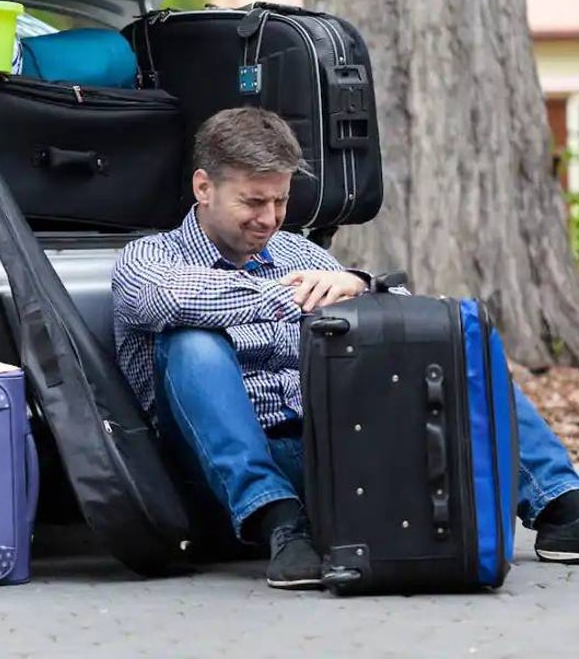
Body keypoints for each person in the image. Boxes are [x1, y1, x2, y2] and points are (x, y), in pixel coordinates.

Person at [111, 106, 579, 590]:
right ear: (204, 187)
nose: (268, 219)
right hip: (211, 474)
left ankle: (560, 504)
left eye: (280, 201)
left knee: (450, 344)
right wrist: (303, 297)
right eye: (252, 201)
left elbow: (400, 316)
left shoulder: (301, 254)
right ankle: (278, 524)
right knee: (193, 344)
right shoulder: (148, 258)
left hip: (330, 448)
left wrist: (358, 285)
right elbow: (169, 299)